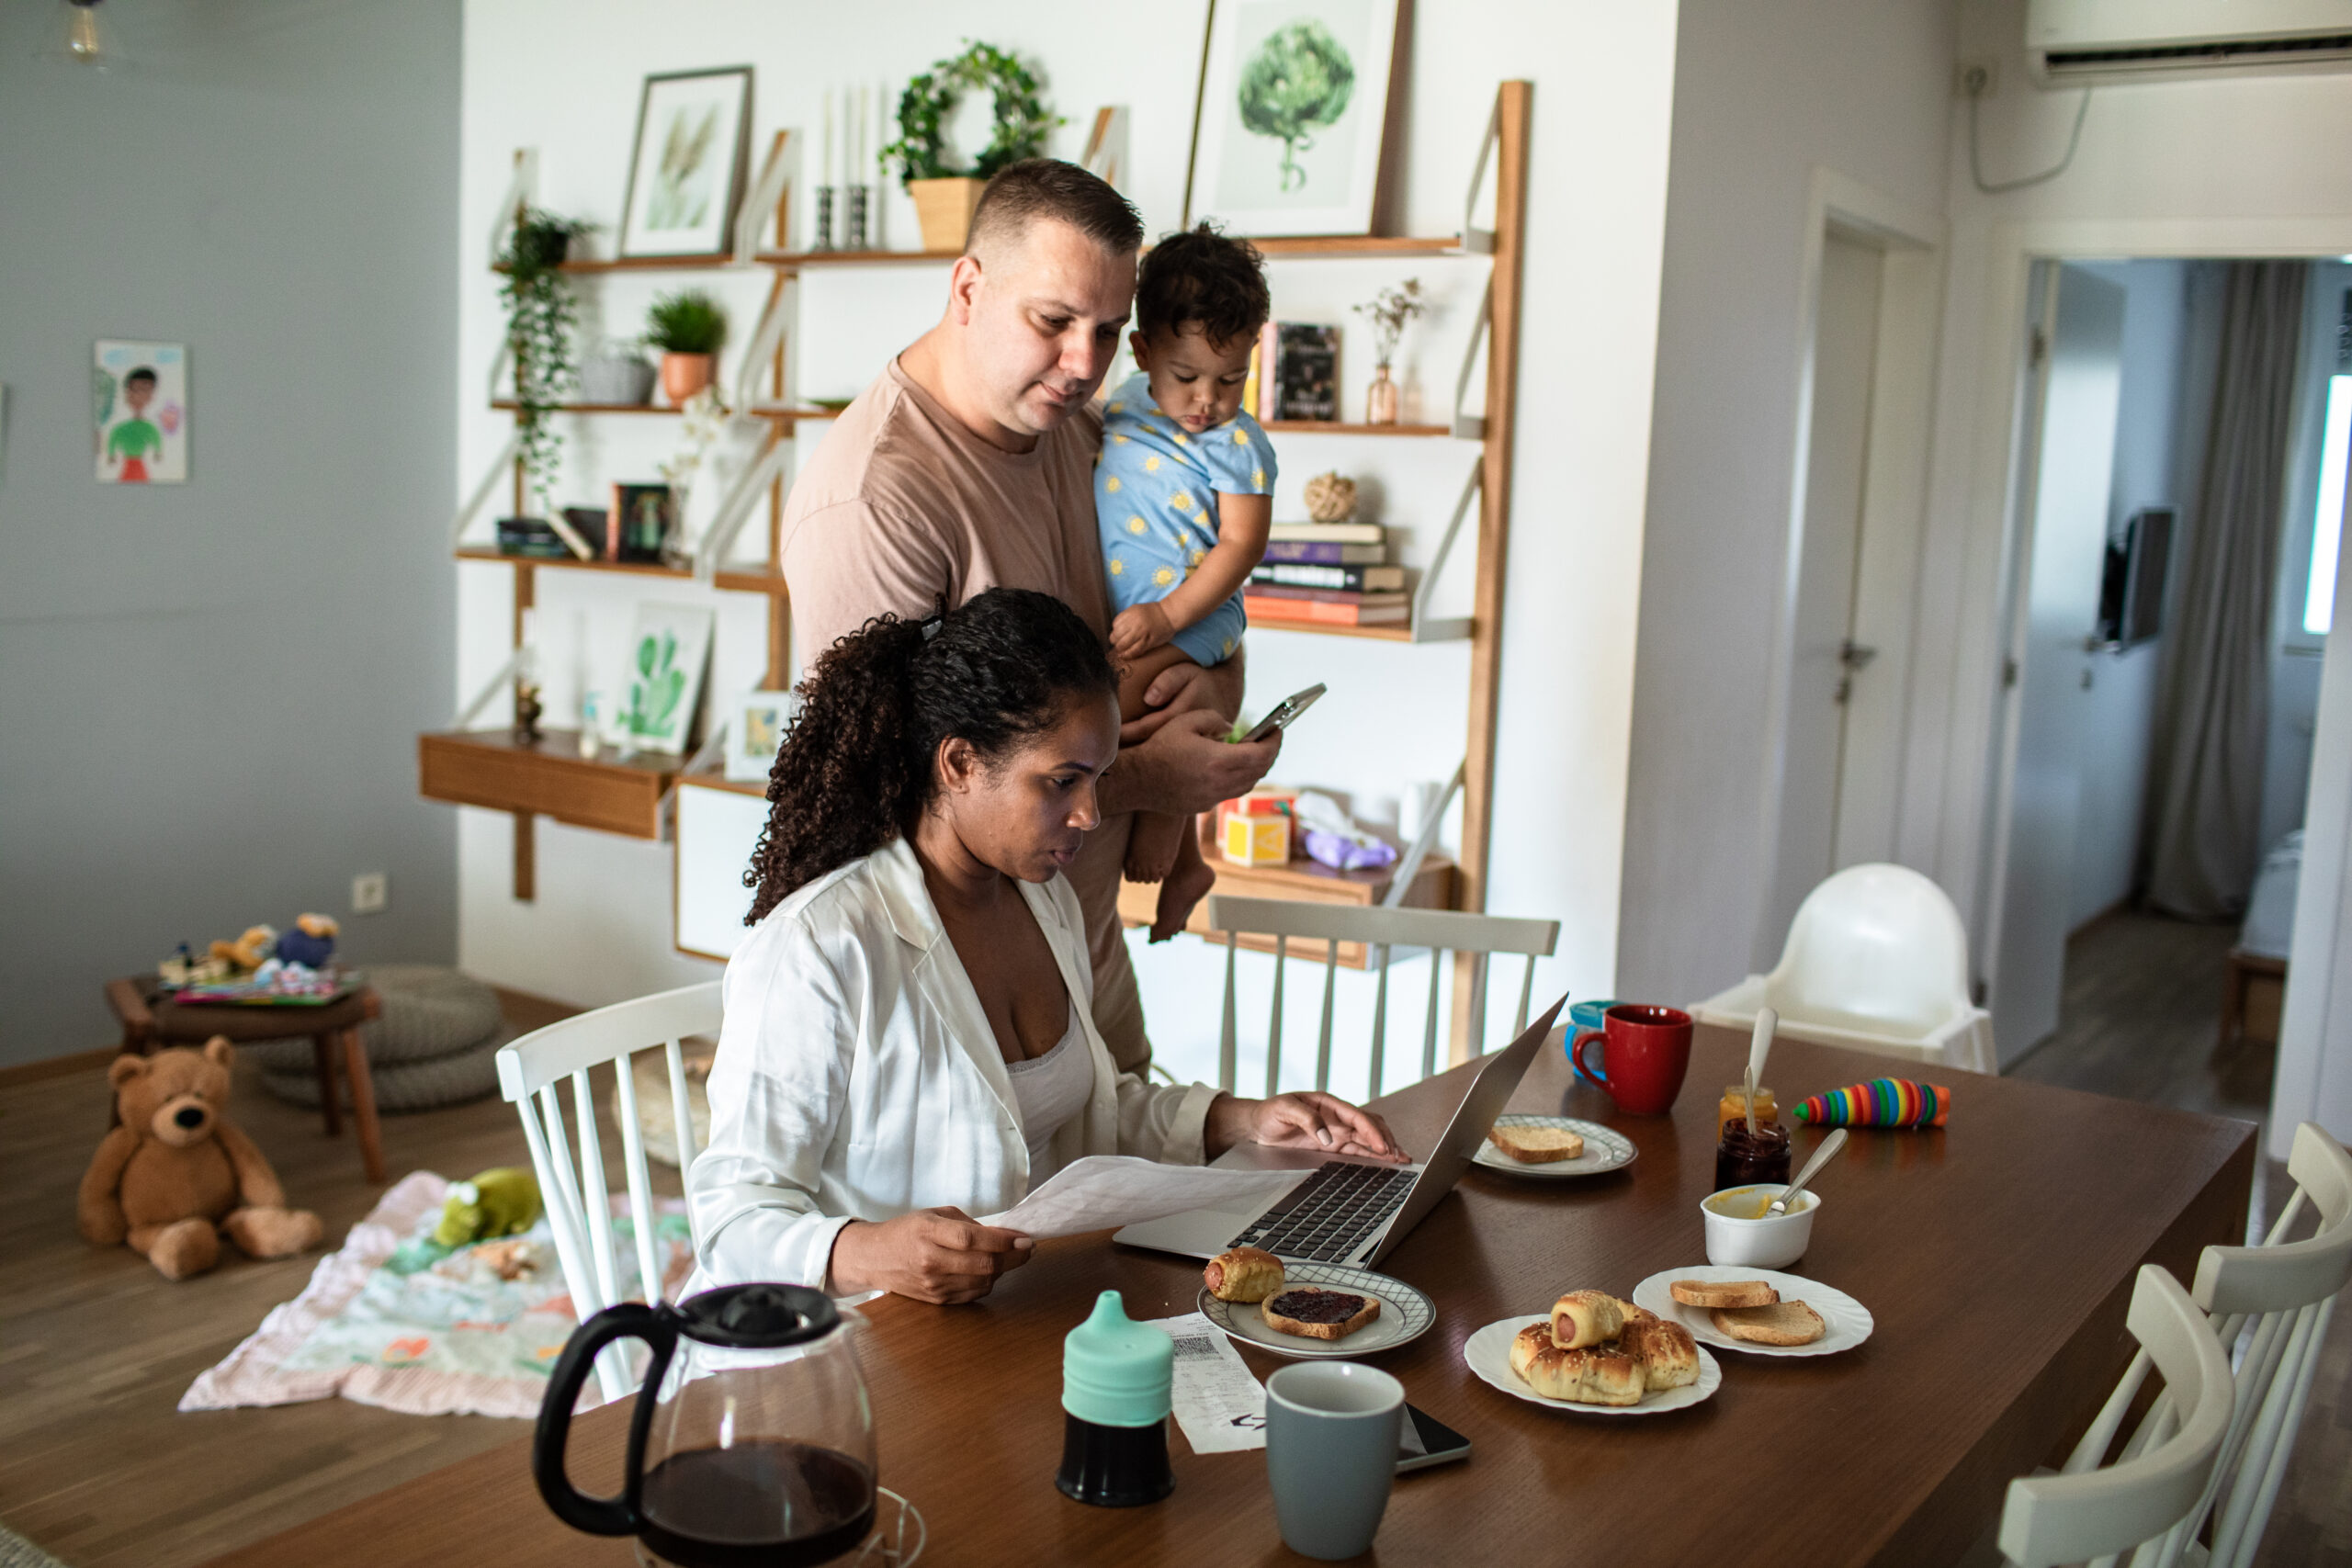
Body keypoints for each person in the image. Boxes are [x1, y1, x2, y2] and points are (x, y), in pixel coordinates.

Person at [684, 590, 1399, 1305]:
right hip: (856, 1350)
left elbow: (1088, 1109)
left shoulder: (1043, 895)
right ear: (960, 763)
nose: (1088, 813)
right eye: (1062, 781)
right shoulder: (822, 945)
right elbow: (730, 1216)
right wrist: (865, 1251)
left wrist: (1241, 1118)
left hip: (1014, 1317)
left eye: (1099, 778)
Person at [778, 159, 1276, 1090]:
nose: (1083, 364)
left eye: (1106, 331)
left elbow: (1195, 622)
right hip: (956, 1027)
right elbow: (886, 798)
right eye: (1051, 323)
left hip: (1087, 967)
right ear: (969, 287)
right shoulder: (875, 500)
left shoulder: (1082, 432)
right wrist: (1146, 782)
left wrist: (1204, 703)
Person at [1095, 223, 1279, 941]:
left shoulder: (1238, 443)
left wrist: (1170, 617)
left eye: (1230, 379)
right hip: (1138, 610)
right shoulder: (1123, 406)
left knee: (1135, 704)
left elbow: (1242, 546)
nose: (1208, 398)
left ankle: (1168, 821)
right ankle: (1191, 865)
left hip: (1193, 610)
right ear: (1143, 353)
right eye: (1187, 376)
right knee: (1148, 708)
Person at [107, 367, 164, 482]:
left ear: (151, 395)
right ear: (127, 393)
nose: (138, 396)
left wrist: (158, 452)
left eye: (145, 390)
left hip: (139, 467)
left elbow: (156, 438)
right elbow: (113, 437)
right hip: (128, 467)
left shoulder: (149, 428)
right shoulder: (121, 428)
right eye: (134, 390)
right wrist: (111, 454)